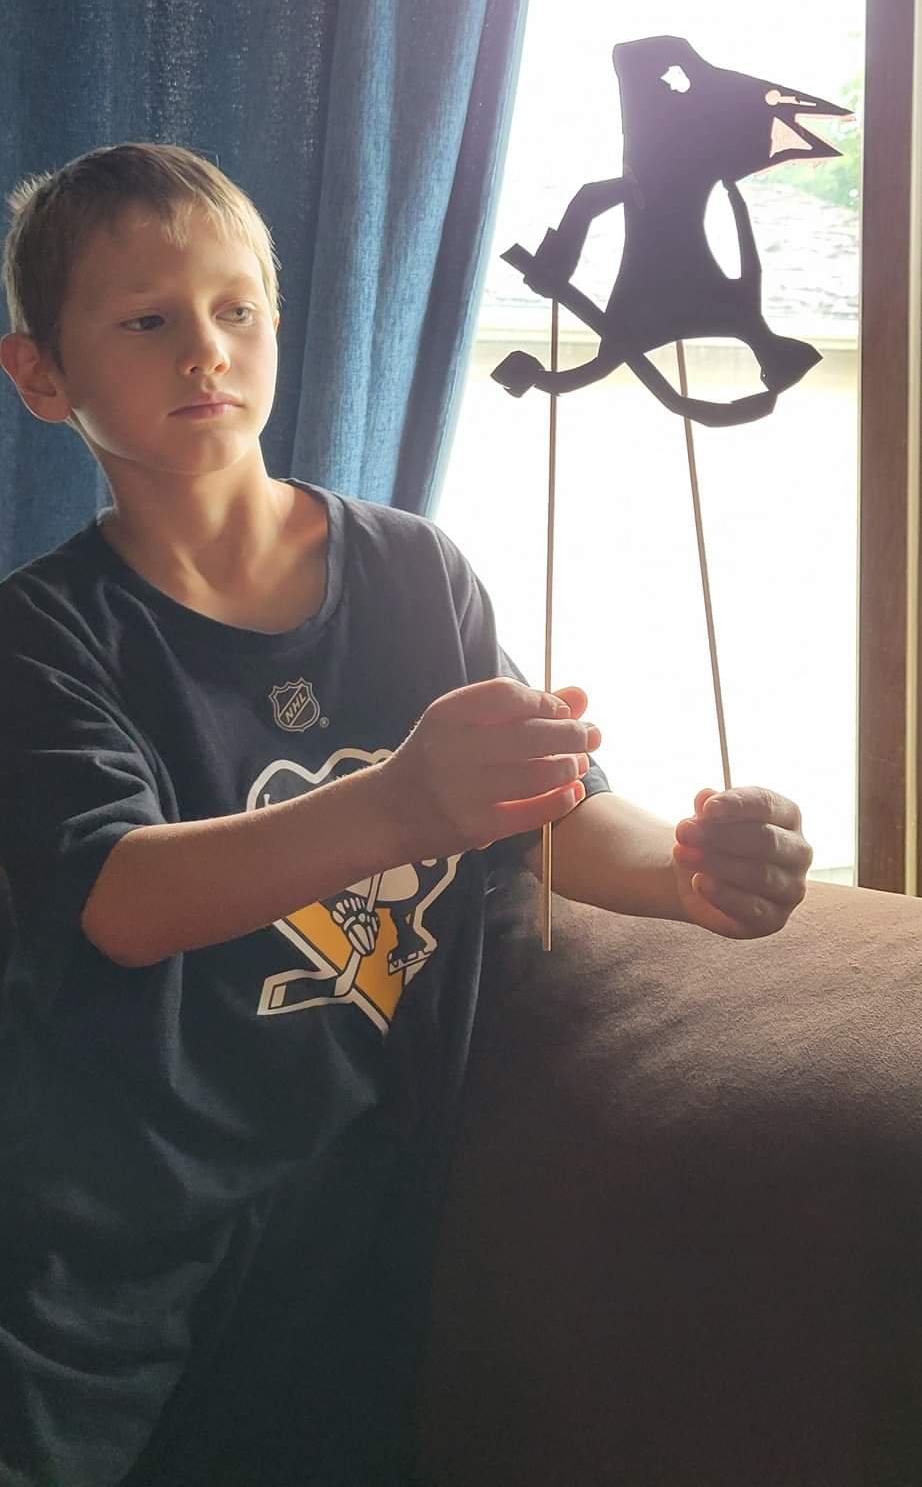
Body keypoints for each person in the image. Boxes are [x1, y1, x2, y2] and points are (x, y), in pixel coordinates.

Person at [0, 144, 812, 1487]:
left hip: (357, 1199)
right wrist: (398, 802)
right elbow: (120, 900)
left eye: (235, 310)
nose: (204, 349)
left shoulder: (413, 571)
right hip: (103, 1225)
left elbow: (548, 812)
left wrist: (687, 872)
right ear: (42, 375)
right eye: (146, 321)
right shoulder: (45, 635)